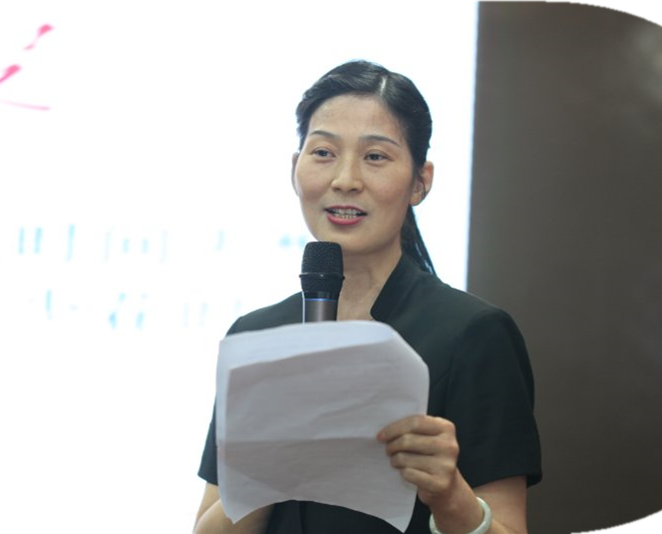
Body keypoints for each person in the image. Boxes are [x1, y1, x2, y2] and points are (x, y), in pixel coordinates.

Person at [193, 60, 541, 534]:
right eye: (323, 152)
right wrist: (269, 472)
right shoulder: (255, 336)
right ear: (294, 169)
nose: (345, 179)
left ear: (420, 181)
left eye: (375, 157)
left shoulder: (474, 335)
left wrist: (450, 496)